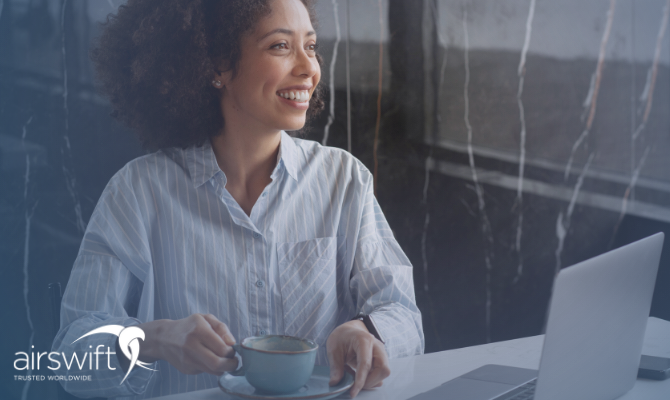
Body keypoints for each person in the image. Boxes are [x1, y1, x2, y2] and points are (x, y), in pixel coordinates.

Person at [50, 0, 424, 398]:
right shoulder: (138, 193)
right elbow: (70, 359)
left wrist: (365, 330)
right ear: (216, 67)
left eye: (310, 46)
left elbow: (404, 317)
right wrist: (152, 339)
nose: (308, 68)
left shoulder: (344, 180)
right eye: (280, 46)